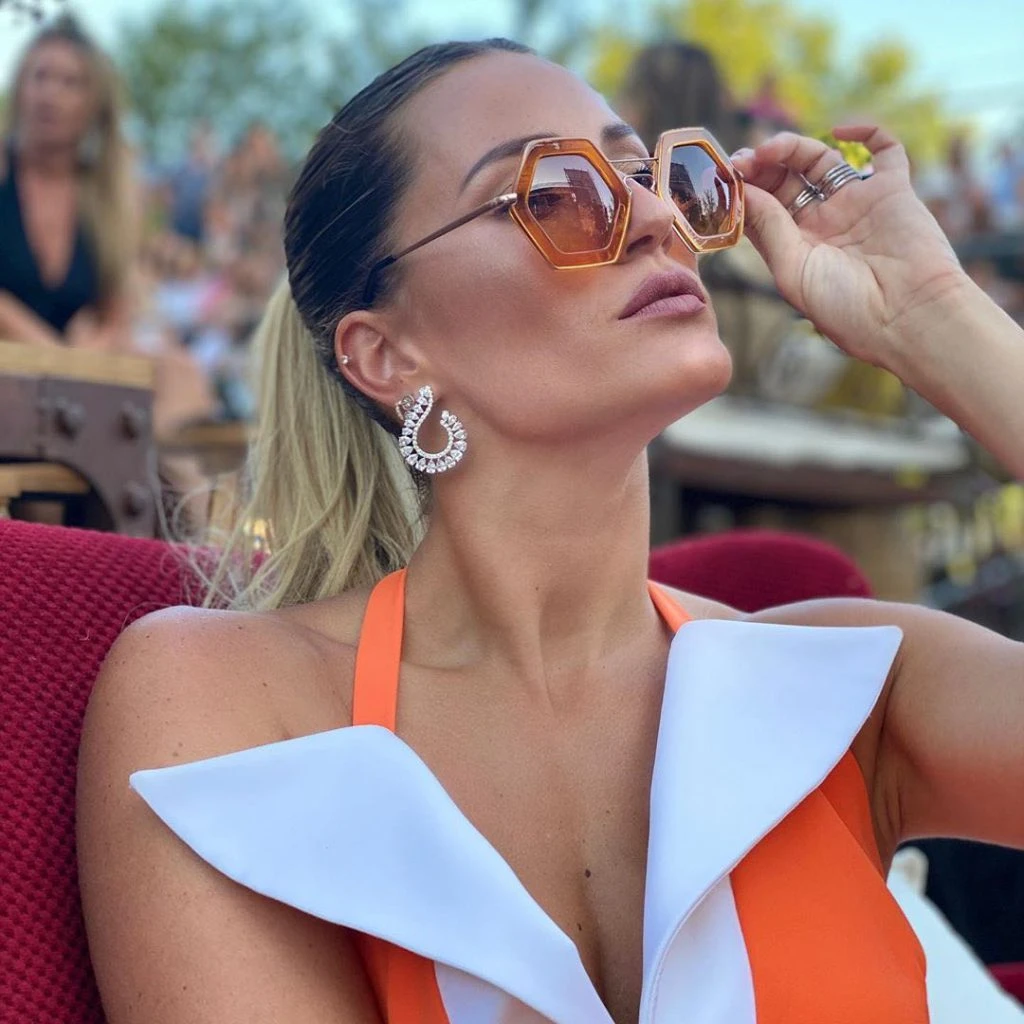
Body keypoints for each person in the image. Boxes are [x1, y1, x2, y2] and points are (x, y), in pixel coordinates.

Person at [77, 39, 1024, 1024]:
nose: (654, 218)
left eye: (652, 176)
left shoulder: (849, 686)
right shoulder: (229, 701)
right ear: (387, 353)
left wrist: (934, 315)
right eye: (555, 194)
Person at [0, 14, 136, 350]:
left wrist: (92, 350)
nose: (50, 94)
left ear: (95, 104)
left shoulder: (108, 198)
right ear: (20, 89)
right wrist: (48, 351)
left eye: (70, 82)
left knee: (179, 370)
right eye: (40, 76)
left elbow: (115, 313)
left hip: (73, 372)